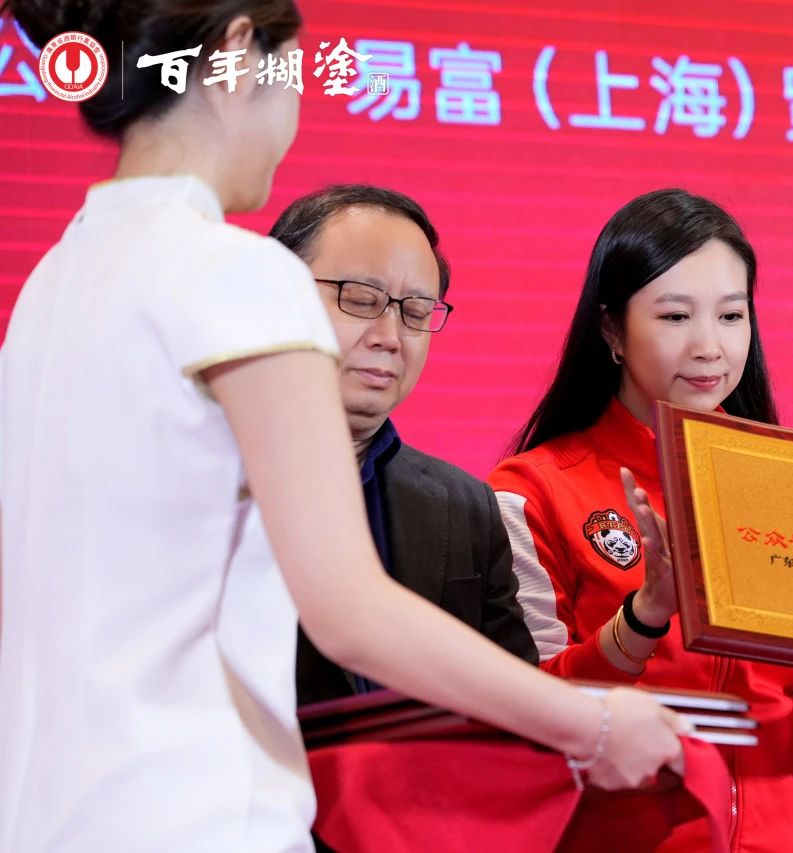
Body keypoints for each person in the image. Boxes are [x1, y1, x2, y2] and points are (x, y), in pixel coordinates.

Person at [0, 3, 685, 850]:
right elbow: (349, 609)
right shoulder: (234, 272)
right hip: (197, 811)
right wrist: (595, 724)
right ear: (239, 52)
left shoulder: (55, 281)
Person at [490, 188, 793, 852]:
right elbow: (528, 720)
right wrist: (641, 620)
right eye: (676, 315)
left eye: (732, 315)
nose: (711, 345)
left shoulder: (790, 482)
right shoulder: (533, 491)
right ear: (611, 330)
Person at [269, 185, 538, 706]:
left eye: (415, 312)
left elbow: (515, 701)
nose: (390, 336)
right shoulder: (202, 477)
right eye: (360, 299)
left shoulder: (466, 507)